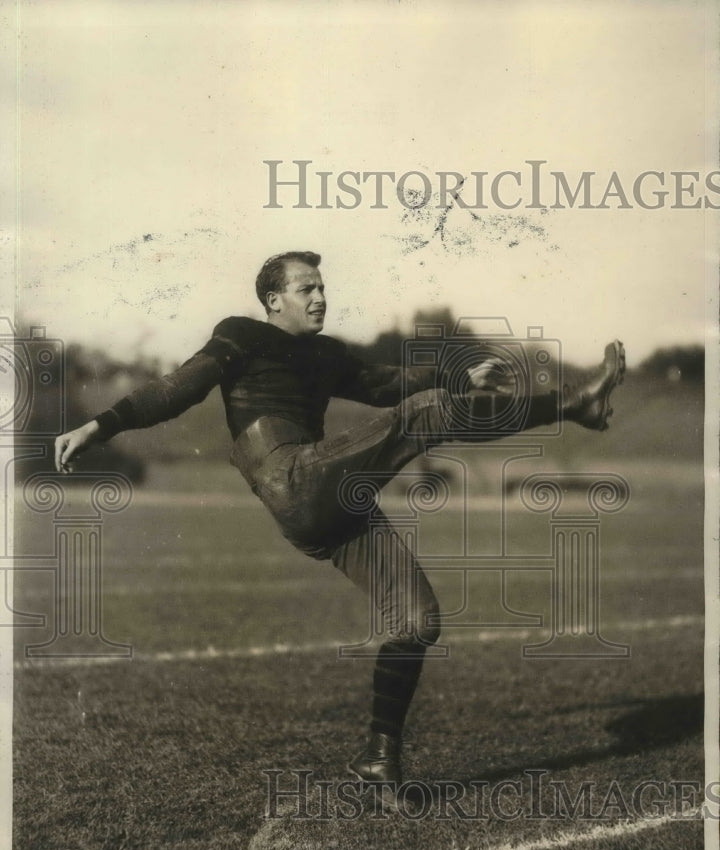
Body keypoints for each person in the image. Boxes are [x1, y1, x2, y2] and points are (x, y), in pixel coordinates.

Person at [55, 250, 625, 808]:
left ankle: (380, 758)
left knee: (418, 620)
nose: (321, 297)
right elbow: (178, 388)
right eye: (307, 289)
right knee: (428, 412)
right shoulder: (240, 335)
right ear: (273, 300)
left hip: (325, 503)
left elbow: (385, 383)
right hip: (291, 476)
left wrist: (457, 371)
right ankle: (575, 404)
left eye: (322, 287)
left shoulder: (325, 354)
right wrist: (100, 425)